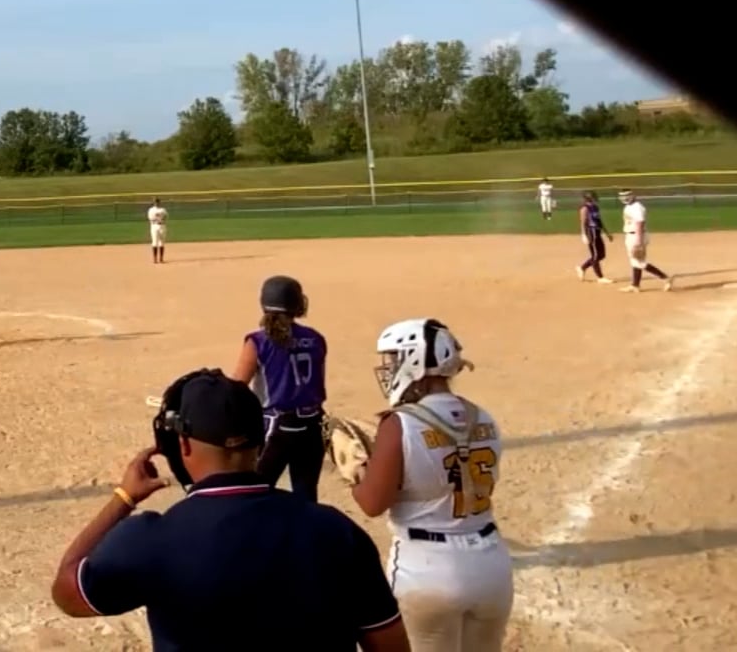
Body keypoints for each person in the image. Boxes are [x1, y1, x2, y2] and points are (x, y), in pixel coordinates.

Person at [51, 369, 407, 651]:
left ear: (183, 445)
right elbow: (390, 645)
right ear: (261, 441)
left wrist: (123, 498)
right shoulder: (334, 530)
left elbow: (67, 592)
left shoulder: (151, 539)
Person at [350, 319, 513, 651]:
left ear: (414, 360)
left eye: (395, 358)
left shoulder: (399, 423)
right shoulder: (483, 417)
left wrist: (355, 473)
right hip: (491, 564)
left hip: (427, 569)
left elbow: (372, 503)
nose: (390, 368)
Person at [225, 276, 327, 502]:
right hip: (313, 425)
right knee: (306, 496)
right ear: (298, 304)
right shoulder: (316, 338)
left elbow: (237, 388)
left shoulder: (258, 341)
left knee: (254, 493)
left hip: (277, 427)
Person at [618, 189, 674, 292]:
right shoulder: (628, 207)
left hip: (636, 236)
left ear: (632, 195)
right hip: (632, 235)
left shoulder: (637, 207)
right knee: (635, 261)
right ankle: (635, 285)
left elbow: (640, 223)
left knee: (639, 262)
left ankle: (665, 278)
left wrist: (638, 240)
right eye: (622, 196)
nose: (624, 198)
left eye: (627, 195)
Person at [576, 191, 614, 284]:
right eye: (593, 197)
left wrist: (607, 233)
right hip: (591, 232)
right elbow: (583, 222)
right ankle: (600, 277)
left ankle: (582, 268)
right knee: (596, 255)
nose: (595, 198)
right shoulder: (585, 208)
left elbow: (599, 221)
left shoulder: (595, 207)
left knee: (601, 255)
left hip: (597, 231)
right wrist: (583, 234)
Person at [145, 198, 167, 264]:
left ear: (159, 202)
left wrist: (162, 220)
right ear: (154, 203)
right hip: (154, 226)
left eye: (158, 202)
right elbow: (150, 218)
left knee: (162, 242)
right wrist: (157, 220)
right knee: (154, 242)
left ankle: (161, 258)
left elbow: (166, 216)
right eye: (155, 202)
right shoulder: (151, 210)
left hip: (162, 226)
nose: (157, 203)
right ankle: (155, 258)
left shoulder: (163, 209)